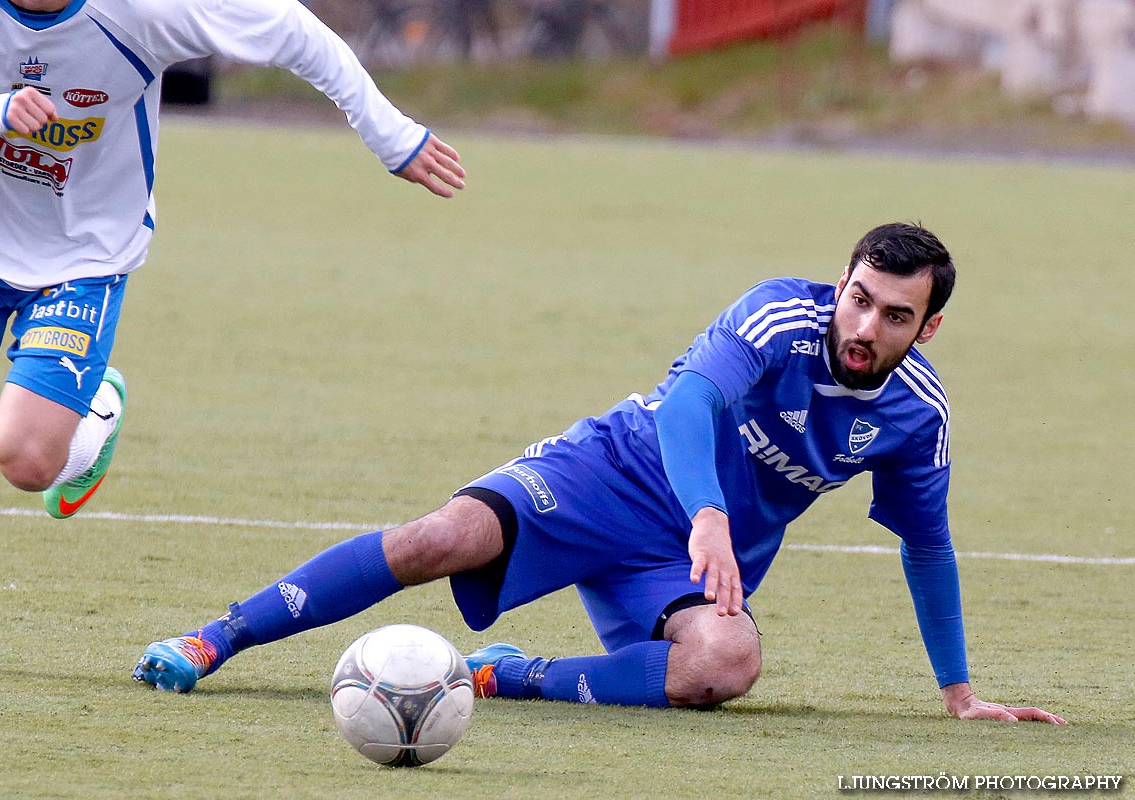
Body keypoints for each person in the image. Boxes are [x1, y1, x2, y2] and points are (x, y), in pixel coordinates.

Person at [0, 0, 466, 673]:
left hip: (83, 252)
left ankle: (90, 407)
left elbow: (284, 23)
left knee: (28, 463)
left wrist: (389, 134)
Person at [134, 223, 1064, 724]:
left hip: (680, 558)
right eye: (858, 299)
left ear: (926, 327)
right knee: (439, 538)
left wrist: (958, 691)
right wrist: (707, 513)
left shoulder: (914, 417)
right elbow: (695, 403)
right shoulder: (778, 315)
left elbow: (927, 548)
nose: (865, 328)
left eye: (894, 316)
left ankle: (512, 679)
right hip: (610, 473)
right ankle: (217, 638)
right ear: (841, 282)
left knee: (726, 664)